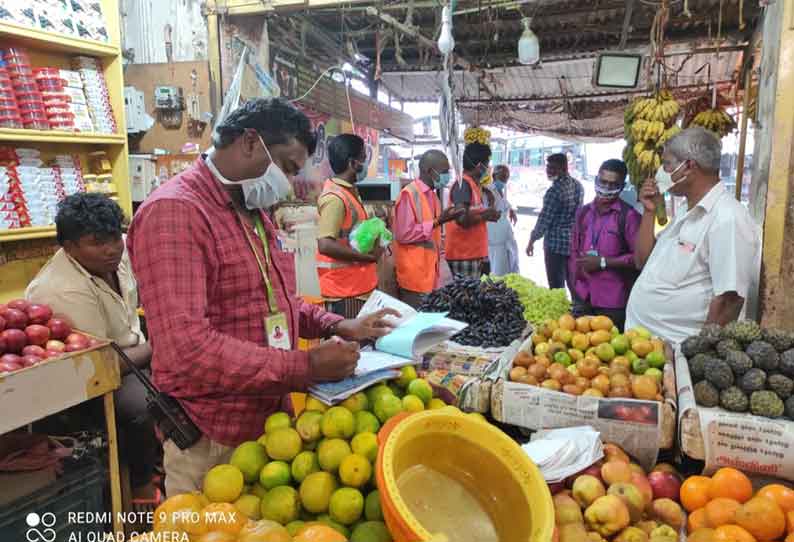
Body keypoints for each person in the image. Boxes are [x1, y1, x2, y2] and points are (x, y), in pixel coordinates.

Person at [127, 98, 398, 495]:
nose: (288, 182)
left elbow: (276, 300)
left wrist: (340, 324)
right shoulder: (176, 213)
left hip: (268, 426)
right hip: (212, 437)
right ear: (250, 143)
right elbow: (186, 349)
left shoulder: (250, 209)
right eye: (286, 166)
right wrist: (304, 366)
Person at [26, 193, 158, 501]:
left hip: (132, 348)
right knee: (143, 405)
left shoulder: (116, 254)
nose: (112, 248)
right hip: (92, 376)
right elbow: (106, 365)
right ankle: (141, 486)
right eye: (98, 242)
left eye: (115, 237)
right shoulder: (62, 289)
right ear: (69, 247)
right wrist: (159, 347)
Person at [626, 127, 761, 344]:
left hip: (679, 355)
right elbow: (642, 261)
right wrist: (649, 212)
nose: (662, 171)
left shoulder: (727, 218)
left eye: (667, 164)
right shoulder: (685, 211)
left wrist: (701, 354)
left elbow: (729, 300)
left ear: (689, 166)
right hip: (648, 349)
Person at [568, 159, 641, 331]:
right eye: (603, 182)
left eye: (612, 184)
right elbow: (574, 250)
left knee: (608, 352)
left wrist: (603, 262)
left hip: (612, 302)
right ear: (595, 180)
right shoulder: (583, 212)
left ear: (622, 187)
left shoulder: (629, 217)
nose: (606, 188)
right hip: (582, 296)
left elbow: (639, 259)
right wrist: (575, 283)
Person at [316, 134, 380, 317]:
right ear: (353, 163)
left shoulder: (349, 193)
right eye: (363, 159)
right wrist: (367, 258)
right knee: (351, 345)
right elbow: (325, 244)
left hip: (357, 287)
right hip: (344, 292)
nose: (365, 165)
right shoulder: (335, 198)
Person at [392, 150, 464, 308]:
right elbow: (403, 234)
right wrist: (439, 221)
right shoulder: (409, 195)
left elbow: (435, 236)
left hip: (431, 276)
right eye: (445, 172)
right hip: (414, 278)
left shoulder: (432, 196)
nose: (448, 176)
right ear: (431, 171)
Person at [527, 153, 584, 291]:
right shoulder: (578, 185)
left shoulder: (554, 191)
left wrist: (532, 240)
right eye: (548, 167)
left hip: (555, 246)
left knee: (556, 288)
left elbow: (544, 220)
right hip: (573, 244)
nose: (549, 171)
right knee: (574, 283)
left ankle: (561, 311)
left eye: (553, 168)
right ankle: (577, 311)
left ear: (564, 168)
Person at [446, 142, 501, 278]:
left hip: (474, 255)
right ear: (479, 166)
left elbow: (472, 214)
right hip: (463, 256)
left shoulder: (473, 185)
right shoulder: (462, 185)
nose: (488, 168)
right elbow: (461, 219)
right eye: (487, 164)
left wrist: (488, 214)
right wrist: (485, 216)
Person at [486, 165, 520, 276]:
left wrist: (511, 210)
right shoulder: (488, 191)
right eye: (503, 177)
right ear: (494, 175)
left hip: (505, 234)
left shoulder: (501, 190)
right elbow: (488, 212)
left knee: (511, 262)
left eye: (507, 177)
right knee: (498, 269)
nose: (505, 180)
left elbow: (503, 203)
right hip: (495, 238)